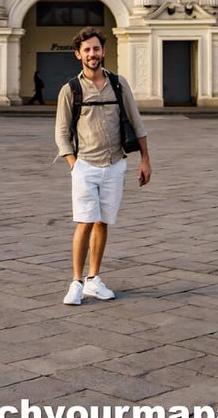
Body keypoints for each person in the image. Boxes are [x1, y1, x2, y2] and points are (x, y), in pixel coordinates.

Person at [54, 26, 151, 305]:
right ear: (78, 54)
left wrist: (145, 160)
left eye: (96, 49)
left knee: (102, 221)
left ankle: (94, 279)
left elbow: (137, 123)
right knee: (84, 222)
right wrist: (74, 164)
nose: (92, 54)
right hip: (85, 165)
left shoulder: (118, 85)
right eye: (87, 50)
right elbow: (61, 132)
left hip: (116, 164)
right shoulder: (70, 90)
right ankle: (76, 281)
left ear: (103, 51)